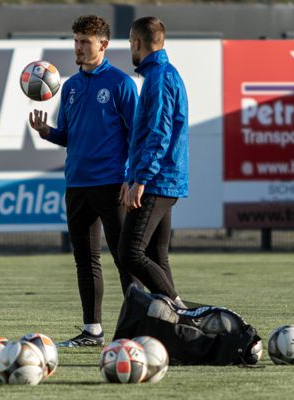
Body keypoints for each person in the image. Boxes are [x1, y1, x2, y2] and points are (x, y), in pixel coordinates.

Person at [29, 15, 139, 347]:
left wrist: (131, 177)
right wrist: (47, 133)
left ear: (103, 45)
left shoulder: (121, 83)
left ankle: (139, 329)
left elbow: (137, 135)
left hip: (111, 184)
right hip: (77, 184)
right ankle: (92, 330)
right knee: (85, 259)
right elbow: (70, 136)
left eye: (84, 42)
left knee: (126, 258)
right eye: (75, 41)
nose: (78, 47)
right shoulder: (72, 86)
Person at [119, 16, 189, 307]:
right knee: (157, 256)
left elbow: (158, 134)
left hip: (157, 180)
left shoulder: (159, 78)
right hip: (161, 178)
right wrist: (130, 175)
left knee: (130, 253)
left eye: (130, 44)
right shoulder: (161, 74)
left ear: (136, 43)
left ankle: (180, 309)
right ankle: (176, 330)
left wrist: (141, 180)